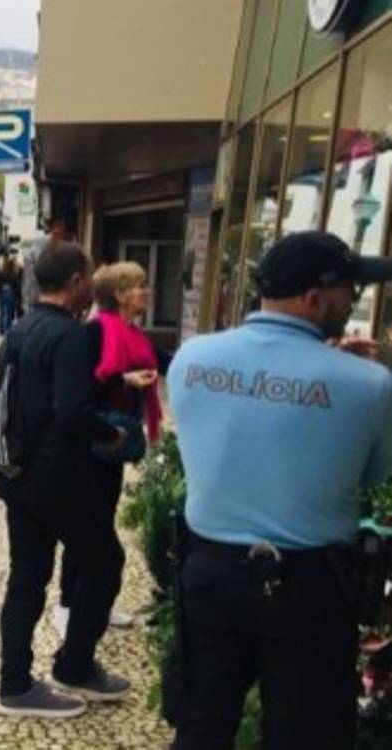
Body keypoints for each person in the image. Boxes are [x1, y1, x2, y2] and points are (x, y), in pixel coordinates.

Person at [165, 232, 392, 749]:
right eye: (351, 291)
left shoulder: (191, 358)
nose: (353, 302)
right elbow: (373, 475)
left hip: (209, 575)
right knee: (306, 735)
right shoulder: (370, 384)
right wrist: (338, 370)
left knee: (201, 727)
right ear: (314, 299)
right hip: (311, 588)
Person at [0, 243, 131, 719]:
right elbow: (73, 413)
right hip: (61, 479)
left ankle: (14, 683)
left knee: (27, 578)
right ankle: (75, 666)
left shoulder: (20, 329)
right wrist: (110, 432)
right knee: (106, 561)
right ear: (75, 281)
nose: (92, 286)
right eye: (89, 277)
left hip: (19, 476)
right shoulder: (72, 337)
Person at [49, 262, 160, 639]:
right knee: (85, 526)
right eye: (139, 286)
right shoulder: (96, 331)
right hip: (93, 440)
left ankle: (98, 599)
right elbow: (83, 388)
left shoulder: (134, 333)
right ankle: (67, 604)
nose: (146, 292)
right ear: (120, 295)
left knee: (104, 519)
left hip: (117, 442)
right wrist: (124, 379)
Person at [0, 256, 23, 336]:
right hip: (10, 294)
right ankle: (7, 330)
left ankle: (1, 330)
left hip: (1, 294)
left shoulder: (0, 272)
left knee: (2, 312)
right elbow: (16, 284)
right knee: (9, 312)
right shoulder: (12, 274)